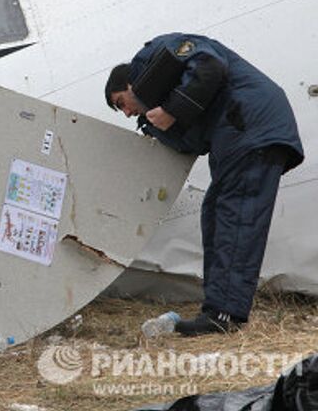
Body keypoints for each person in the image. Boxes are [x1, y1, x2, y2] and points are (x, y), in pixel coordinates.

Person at [105, 33, 303, 336]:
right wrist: (157, 126)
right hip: (240, 134)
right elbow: (193, 142)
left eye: (122, 103)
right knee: (215, 215)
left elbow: (210, 65)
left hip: (250, 127)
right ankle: (219, 309)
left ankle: (223, 314)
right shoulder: (166, 94)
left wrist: (171, 110)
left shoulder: (154, 57)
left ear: (130, 83)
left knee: (235, 219)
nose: (128, 112)